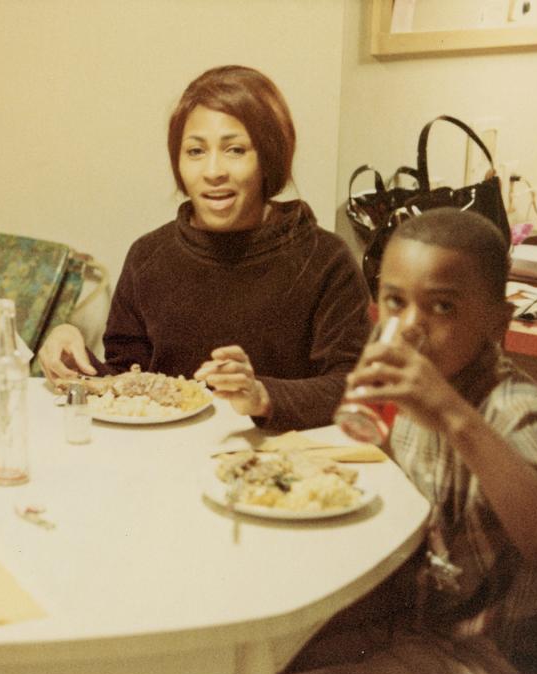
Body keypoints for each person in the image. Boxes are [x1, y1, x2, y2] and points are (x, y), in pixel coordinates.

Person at [286, 208, 537, 674]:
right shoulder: (413, 396)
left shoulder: (518, 412)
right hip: (419, 628)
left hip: (496, 670)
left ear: (498, 321)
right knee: (256, 659)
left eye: (442, 307)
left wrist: (454, 418)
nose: (409, 326)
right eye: (394, 301)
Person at [38, 65, 371, 430]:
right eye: (195, 151)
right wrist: (74, 356)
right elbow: (124, 381)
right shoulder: (148, 258)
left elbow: (351, 388)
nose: (213, 171)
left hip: (279, 465)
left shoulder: (325, 261)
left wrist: (262, 396)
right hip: (165, 461)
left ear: (268, 159)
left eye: (235, 150)